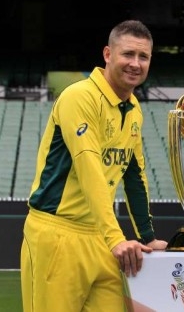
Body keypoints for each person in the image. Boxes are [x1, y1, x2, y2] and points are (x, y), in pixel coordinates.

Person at [20, 20, 168, 312]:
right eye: (128, 54)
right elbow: (89, 168)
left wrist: (147, 237)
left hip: (101, 236)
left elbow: (134, 175)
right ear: (107, 54)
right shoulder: (79, 96)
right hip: (59, 235)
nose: (135, 64)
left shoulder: (134, 108)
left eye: (144, 57)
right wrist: (116, 238)